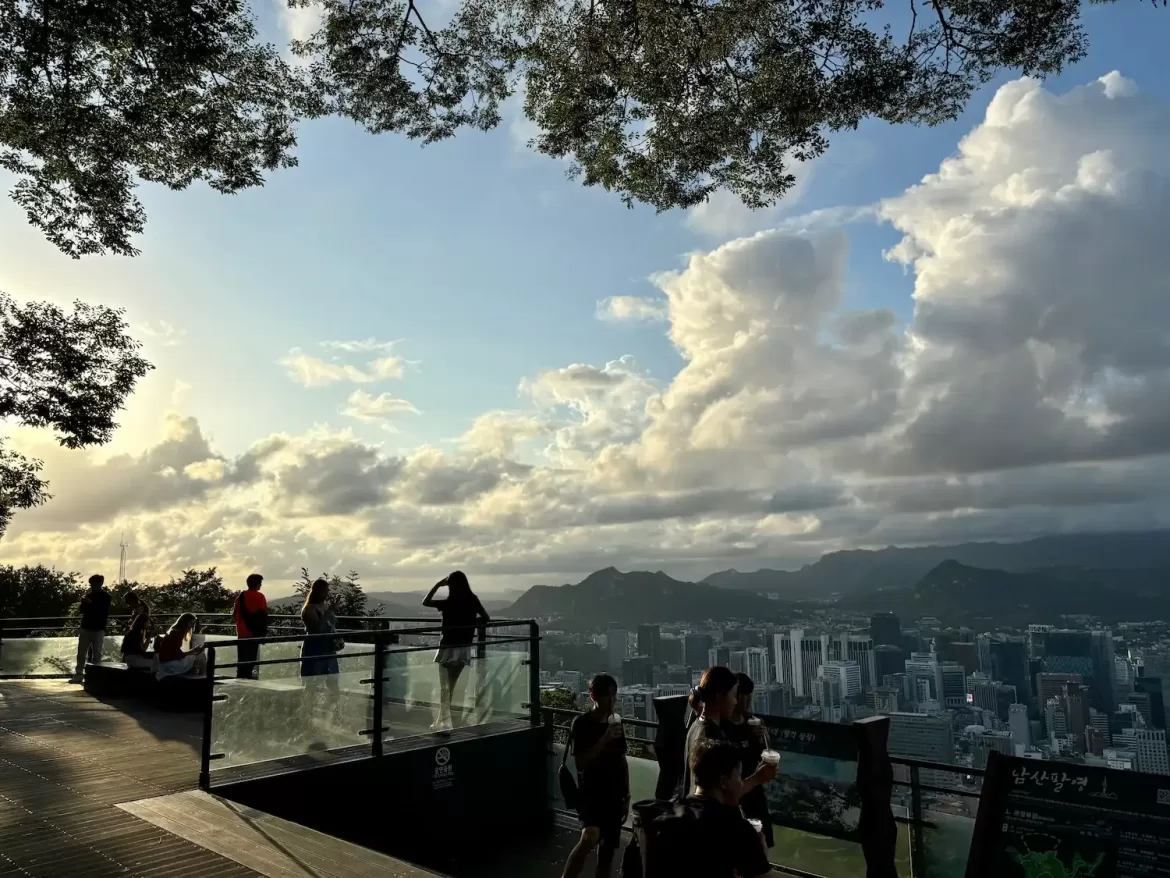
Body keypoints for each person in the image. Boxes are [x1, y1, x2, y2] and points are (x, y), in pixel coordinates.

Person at [562, 674, 629, 878]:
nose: (612, 701)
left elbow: (621, 759)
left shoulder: (616, 722)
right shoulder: (581, 724)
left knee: (607, 853)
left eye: (614, 696)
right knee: (590, 836)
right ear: (594, 696)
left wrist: (626, 794)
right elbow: (581, 762)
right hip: (590, 793)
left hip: (614, 794)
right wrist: (605, 738)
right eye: (608, 696)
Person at [686, 739, 781, 878]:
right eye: (739, 776)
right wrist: (761, 853)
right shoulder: (735, 828)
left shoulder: (674, 811)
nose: (741, 783)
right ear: (724, 782)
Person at [683, 666, 776, 797]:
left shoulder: (696, 726)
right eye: (733, 695)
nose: (735, 701)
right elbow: (726, 794)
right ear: (720, 696)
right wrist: (757, 778)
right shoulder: (711, 738)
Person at [422, 570, 489, 732]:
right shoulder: (473, 600)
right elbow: (486, 617)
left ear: (450, 585)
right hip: (463, 648)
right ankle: (444, 722)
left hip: (447, 647)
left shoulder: (449, 602)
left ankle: (443, 723)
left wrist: (438, 584)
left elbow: (425, 602)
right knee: (453, 687)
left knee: (445, 688)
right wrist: (471, 623)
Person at [725, 672, 774, 847]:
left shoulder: (752, 722)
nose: (749, 700)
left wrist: (763, 738)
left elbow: (763, 753)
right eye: (746, 695)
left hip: (755, 793)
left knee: (760, 844)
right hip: (734, 795)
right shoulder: (722, 727)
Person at [72, 574, 111, 682]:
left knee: (97, 653)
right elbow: (82, 611)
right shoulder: (89, 596)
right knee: (81, 653)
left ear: (100, 584)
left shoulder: (105, 597)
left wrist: (90, 603)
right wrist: (83, 602)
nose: (93, 586)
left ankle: (96, 676)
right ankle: (79, 674)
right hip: (86, 627)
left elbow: (102, 610)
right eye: (92, 584)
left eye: (94, 584)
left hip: (98, 628)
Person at [300, 578, 340, 677]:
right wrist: (329, 611)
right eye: (325, 590)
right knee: (313, 678)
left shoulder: (325, 606)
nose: (327, 592)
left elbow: (330, 625)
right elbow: (316, 629)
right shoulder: (309, 608)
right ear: (319, 591)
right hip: (315, 646)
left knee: (332, 679)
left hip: (329, 647)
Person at [233, 573, 268, 679]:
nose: (261, 585)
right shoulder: (260, 596)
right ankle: (247, 679)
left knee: (242, 659)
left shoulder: (240, 597)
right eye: (260, 583)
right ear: (257, 584)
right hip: (254, 633)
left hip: (242, 632)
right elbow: (264, 615)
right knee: (251, 659)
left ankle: (240, 678)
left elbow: (235, 614)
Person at [154, 614, 205, 679]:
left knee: (195, 656)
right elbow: (177, 654)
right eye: (192, 623)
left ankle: (201, 676)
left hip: (165, 662)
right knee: (200, 656)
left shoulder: (175, 631)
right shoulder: (177, 634)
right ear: (187, 623)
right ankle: (203, 676)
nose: (192, 626)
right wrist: (192, 651)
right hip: (169, 664)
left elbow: (175, 652)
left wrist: (192, 652)